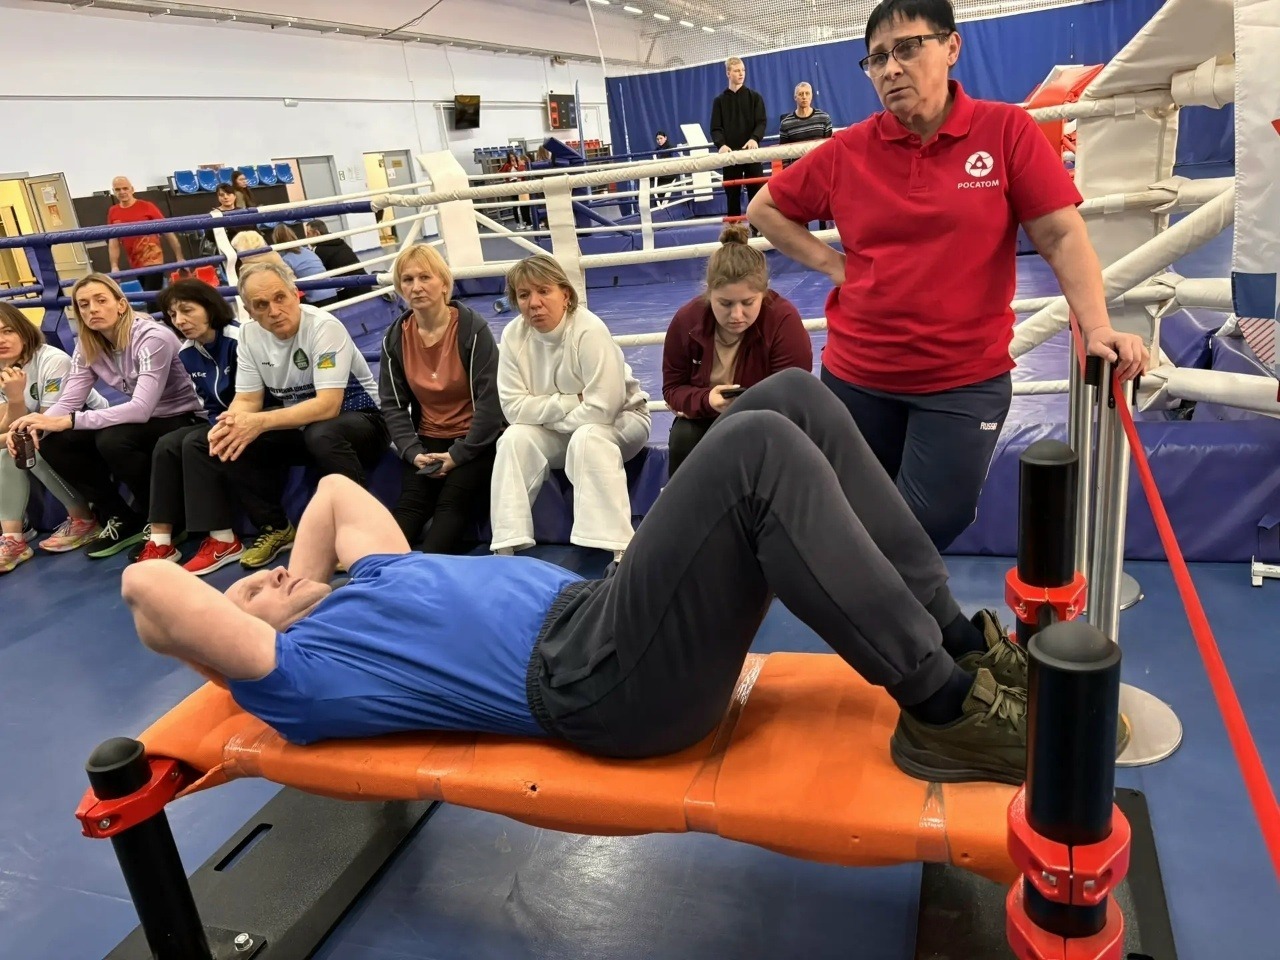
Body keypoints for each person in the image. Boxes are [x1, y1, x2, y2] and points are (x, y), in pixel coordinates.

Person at [122, 369, 1035, 786]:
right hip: (599, 684)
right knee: (757, 449)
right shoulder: (301, 676)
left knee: (791, 394)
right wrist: (246, 640)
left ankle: (958, 644)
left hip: (603, 618)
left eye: (264, 577)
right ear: (242, 646)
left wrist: (295, 584)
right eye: (250, 594)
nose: (269, 580)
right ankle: (944, 709)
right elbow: (149, 592)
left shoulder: (369, 578)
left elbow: (328, 494)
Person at [747, 0, 1149, 551]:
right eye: (877, 59)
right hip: (858, 375)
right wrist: (835, 266)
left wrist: (1098, 326)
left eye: (907, 48)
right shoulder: (849, 150)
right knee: (853, 520)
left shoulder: (1005, 131)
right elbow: (765, 208)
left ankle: (880, 599)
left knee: (929, 523)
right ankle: (883, 605)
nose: (891, 69)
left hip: (963, 380)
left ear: (951, 47)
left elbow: (1061, 236)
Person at [199, 261, 387, 568]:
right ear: (249, 311)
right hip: (305, 427)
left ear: (295, 294)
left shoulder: (323, 327)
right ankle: (276, 528)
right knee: (231, 439)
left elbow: (328, 406)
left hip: (364, 420)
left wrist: (258, 421)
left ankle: (365, 533)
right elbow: (247, 399)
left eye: (280, 298)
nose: (274, 311)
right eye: (261, 305)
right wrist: (233, 423)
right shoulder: (249, 336)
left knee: (322, 433)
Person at [7, 274, 205, 559]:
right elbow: (69, 401)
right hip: (143, 420)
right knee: (55, 442)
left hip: (181, 416)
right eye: (84, 305)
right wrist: (33, 427)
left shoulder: (152, 337)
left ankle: (167, 520)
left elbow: (141, 408)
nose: (93, 310)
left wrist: (70, 420)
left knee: (113, 439)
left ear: (121, 305)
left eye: (101, 301)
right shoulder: (87, 345)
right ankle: (121, 517)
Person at [490, 255, 650, 564]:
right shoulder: (512, 335)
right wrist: (570, 402)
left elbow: (603, 410)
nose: (534, 303)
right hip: (563, 427)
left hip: (624, 420)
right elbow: (512, 409)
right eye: (524, 295)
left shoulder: (589, 330)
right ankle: (506, 545)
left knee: (588, 436)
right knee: (513, 439)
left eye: (543, 291)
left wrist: (549, 418)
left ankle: (619, 548)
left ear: (565, 294)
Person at [379, 243, 502, 554]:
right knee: (410, 506)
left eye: (425, 277)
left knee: (451, 504)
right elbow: (392, 404)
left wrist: (459, 454)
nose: (416, 287)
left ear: (444, 283)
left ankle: (427, 573)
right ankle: (372, 572)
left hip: (476, 440)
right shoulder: (396, 337)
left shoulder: (472, 330)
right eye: (408, 280)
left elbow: (490, 404)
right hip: (429, 438)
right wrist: (412, 451)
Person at [662, 224, 812, 477]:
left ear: (763, 293)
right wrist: (708, 400)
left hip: (767, 419)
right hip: (705, 417)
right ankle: (688, 503)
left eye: (748, 302)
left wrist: (748, 407)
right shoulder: (686, 321)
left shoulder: (783, 321)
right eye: (725, 303)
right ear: (709, 293)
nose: (737, 315)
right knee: (683, 437)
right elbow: (672, 388)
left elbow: (794, 394)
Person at [132, 279, 245, 573]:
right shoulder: (187, 352)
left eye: (187, 310)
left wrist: (225, 424)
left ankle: (224, 539)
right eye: (172, 315)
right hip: (222, 419)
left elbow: (257, 395)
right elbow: (209, 403)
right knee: (167, 444)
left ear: (209, 307)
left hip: (255, 419)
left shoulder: (239, 338)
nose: (179, 320)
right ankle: (160, 542)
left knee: (195, 443)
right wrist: (217, 423)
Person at [0, 304, 107, 569]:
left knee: (28, 444)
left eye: (8, 331)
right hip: (43, 434)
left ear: (23, 331)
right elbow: (5, 428)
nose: (1, 340)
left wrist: (13, 427)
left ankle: (84, 519)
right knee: (12, 447)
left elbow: (46, 423)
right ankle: (13, 539)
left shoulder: (52, 360)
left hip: (89, 431)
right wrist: (15, 400)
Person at [710, 57, 767, 223]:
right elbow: (715, 128)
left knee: (756, 197)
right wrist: (721, 145)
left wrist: (754, 139)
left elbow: (761, 122)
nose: (741, 73)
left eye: (743, 70)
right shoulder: (719, 101)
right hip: (730, 157)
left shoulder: (755, 97)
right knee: (732, 197)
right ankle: (734, 233)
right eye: (736, 70)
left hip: (751, 155)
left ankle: (758, 231)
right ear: (728, 73)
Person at [106, 176, 183, 292]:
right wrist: (114, 266)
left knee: (151, 295)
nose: (122, 192)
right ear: (113, 192)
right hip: (135, 262)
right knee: (153, 294)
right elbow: (113, 242)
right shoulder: (113, 211)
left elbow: (168, 231)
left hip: (153, 259)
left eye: (125, 188)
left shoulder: (147, 206)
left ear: (132, 189)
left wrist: (180, 257)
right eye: (118, 189)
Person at [777, 82, 834, 229]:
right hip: (798, 173)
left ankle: (825, 233)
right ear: (795, 97)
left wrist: (829, 170)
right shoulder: (786, 123)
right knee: (801, 209)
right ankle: (804, 235)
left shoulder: (824, 118)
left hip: (821, 171)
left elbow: (830, 148)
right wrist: (788, 176)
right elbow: (784, 153)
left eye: (807, 93)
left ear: (812, 96)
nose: (804, 97)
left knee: (823, 206)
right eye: (801, 94)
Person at [271, 225, 339, 305]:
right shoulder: (308, 251)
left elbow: (290, 283)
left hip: (315, 299)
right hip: (332, 292)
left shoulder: (285, 260)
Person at [499, 151, 531, 229]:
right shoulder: (507, 165)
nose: (512, 158)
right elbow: (501, 172)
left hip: (520, 184)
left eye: (513, 156)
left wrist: (516, 166)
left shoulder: (518, 163)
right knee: (515, 204)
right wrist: (507, 179)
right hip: (512, 184)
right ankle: (518, 223)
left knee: (523, 204)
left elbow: (521, 171)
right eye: (511, 157)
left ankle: (526, 222)